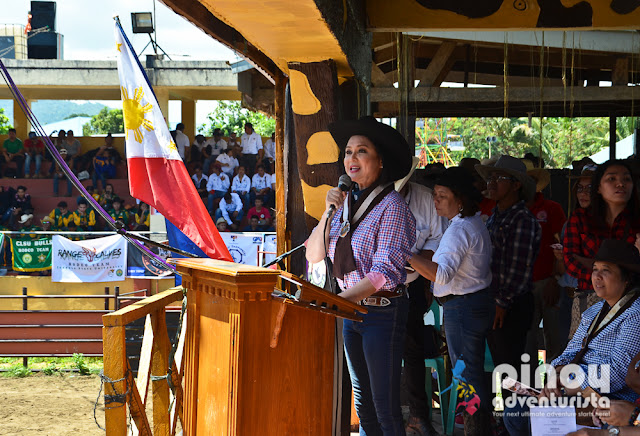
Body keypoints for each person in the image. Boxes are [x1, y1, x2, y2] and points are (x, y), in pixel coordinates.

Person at [306, 116, 415, 435]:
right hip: (350, 312)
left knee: (384, 408)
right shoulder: (344, 204)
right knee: (364, 404)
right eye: (348, 152)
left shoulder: (392, 206)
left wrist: (332, 302)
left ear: (380, 162)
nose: (351, 158)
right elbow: (314, 254)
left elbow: (382, 274)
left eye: (361, 151)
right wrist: (327, 212)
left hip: (381, 312)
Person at [504, 239, 640, 436]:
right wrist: (557, 377)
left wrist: (568, 382)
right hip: (576, 390)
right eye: (595, 269)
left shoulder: (635, 313)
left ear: (626, 278)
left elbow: (617, 373)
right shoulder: (594, 311)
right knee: (516, 409)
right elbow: (568, 354)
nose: (597, 276)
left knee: (522, 413)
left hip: (609, 399)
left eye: (606, 270)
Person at [408, 167, 494, 434]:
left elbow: (442, 275)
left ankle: (476, 430)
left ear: (460, 200)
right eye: (434, 195)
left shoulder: (459, 230)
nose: (436, 201)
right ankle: (477, 428)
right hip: (470, 303)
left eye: (442, 196)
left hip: (463, 306)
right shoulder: (468, 224)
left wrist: (406, 255)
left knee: (468, 375)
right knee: (471, 372)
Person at [475, 155, 541, 383]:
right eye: (490, 177)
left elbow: (517, 269)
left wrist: (501, 303)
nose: (491, 183)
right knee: (498, 366)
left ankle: (516, 418)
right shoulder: (496, 216)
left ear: (516, 185)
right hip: (495, 301)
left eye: (499, 178)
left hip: (510, 305)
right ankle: (501, 417)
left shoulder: (521, 218)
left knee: (510, 368)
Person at [396, 157, 447, 436]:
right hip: (374, 283)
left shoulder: (426, 199)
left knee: (413, 344)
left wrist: (418, 262)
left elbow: (439, 239)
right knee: (383, 349)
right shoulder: (368, 198)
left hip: (415, 280)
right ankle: (390, 416)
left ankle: (418, 415)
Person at [563, 160, 640, 336]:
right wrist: (615, 275)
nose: (620, 183)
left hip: (632, 302)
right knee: (583, 355)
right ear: (598, 187)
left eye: (626, 179)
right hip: (588, 299)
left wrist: (596, 268)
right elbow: (570, 261)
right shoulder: (580, 218)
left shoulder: (637, 221)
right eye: (612, 179)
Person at [524, 163, 570, 366]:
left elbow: (563, 246)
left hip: (549, 281)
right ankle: (532, 393)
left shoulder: (552, 209)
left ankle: (554, 392)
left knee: (556, 341)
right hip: (522, 287)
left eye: (531, 181)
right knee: (526, 343)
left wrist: (554, 278)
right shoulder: (510, 210)